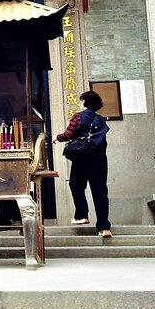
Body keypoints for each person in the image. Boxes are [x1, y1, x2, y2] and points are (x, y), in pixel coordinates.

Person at [53, 90, 112, 237]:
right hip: (99, 159)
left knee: (76, 185)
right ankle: (104, 228)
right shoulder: (100, 120)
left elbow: (68, 134)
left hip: (82, 158)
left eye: (81, 100)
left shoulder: (78, 117)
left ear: (85, 102)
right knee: (100, 192)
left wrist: (56, 137)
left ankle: (82, 215)